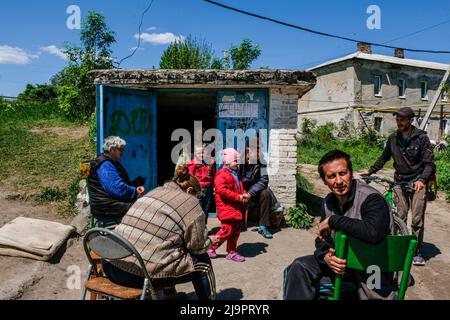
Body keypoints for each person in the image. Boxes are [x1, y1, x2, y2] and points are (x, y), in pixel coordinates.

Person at [283, 150, 395, 300]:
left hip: (370, 272)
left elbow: (373, 232)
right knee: (298, 267)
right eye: (331, 176)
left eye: (343, 173)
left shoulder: (371, 199)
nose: (339, 181)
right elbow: (322, 240)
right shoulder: (328, 202)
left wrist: (333, 220)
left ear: (351, 173)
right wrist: (326, 256)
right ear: (324, 180)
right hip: (342, 268)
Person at [101, 166, 220, 300]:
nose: (196, 199)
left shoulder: (154, 191)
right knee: (203, 263)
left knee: (166, 247)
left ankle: (169, 295)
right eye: (196, 196)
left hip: (109, 264)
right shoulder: (190, 202)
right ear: (189, 190)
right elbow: (198, 247)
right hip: (135, 275)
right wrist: (210, 241)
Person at [360, 107, 436, 266]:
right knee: (399, 215)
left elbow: (429, 164)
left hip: (417, 182)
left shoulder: (421, 138)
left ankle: (416, 251)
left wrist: (422, 180)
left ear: (410, 120)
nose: (399, 122)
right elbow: (384, 157)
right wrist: (371, 170)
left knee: (416, 219)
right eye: (397, 119)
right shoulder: (393, 138)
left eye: (402, 119)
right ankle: (400, 247)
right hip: (400, 180)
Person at [89, 136, 146, 225]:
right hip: (105, 207)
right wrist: (134, 191)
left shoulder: (110, 161)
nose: (123, 152)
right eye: (120, 149)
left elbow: (120, 184)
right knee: (141, 209)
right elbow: (117, 188)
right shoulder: (105, 164)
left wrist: (135, 185)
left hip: (109, 202)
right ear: (111, 150)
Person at [208, 148, 249, 262]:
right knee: (227, 230)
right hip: (226, 208)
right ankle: (211, 247)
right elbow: (222, 190)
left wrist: (244, 193)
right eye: (235, 161)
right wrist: (238, 197)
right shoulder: (221, 174)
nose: (237, 163)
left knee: (235, 231)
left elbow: (239, 186)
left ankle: (232, 251)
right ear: (227, 162)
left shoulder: (236, 173)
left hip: (235, 207)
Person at [240, 146, 274, 239]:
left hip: (254, 192)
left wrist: (250, 193)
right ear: (246, 152)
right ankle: (236, 221)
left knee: (266, 194)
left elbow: (264, 180)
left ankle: (263, 226)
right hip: (241, 191)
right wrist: (243, 192)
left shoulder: (262, 163)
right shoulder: (238, 163)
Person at [185, 144, 216, 223]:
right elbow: (190, 177)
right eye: (199, 153)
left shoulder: (210, 163)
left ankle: (204, 226)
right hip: (198, 189)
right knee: (199, 209)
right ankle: (198, 227)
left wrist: (214, 187)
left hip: (208, 189)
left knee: (206, 209)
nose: (201, 155)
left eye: (203, 152)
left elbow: (213, 175)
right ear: (195, 153)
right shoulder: (193, 164)